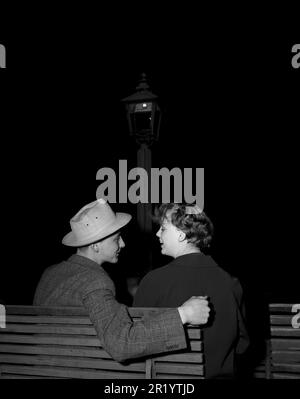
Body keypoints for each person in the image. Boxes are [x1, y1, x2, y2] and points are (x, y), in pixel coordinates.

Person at [33, 198, 210, 363]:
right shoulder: (96, 282)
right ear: (95, 244)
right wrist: (183, 314)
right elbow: (121, 344)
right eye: (116, 239)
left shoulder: (50, 274)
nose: (123, 244)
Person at [133, 203, 249, 378]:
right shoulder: (230, 282)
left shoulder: (153, 281)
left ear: (180, 235)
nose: (157, 234)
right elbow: (242, 344)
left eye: (163, 228)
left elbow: (135, 342)